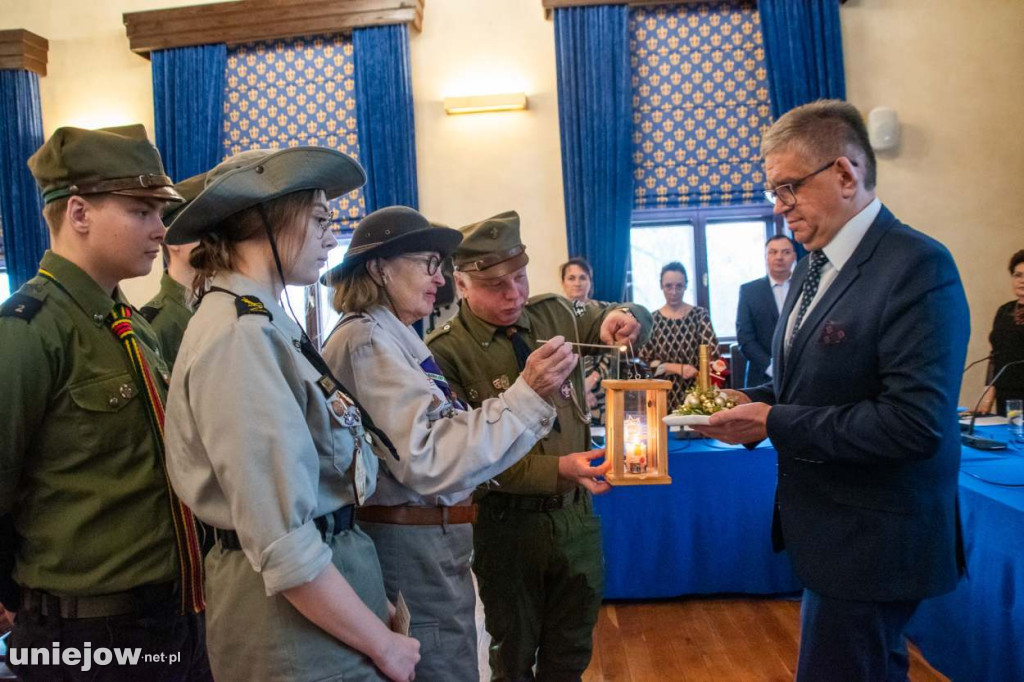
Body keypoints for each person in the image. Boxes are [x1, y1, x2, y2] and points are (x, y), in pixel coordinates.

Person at [694, 100, 970, 682]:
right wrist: (752, 402)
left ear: (845, 175)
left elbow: (912, 424)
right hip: (832, 535)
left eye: (788, 188)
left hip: (876, 541)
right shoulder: (813, 267)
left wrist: (771, 423)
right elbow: (809, 383)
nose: (778, 208)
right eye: (774, 191)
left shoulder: (917, 266)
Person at [162, 148, 420, 682]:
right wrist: (384, 646)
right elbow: (284, 544)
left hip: (324, 611)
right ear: (264, 218)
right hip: (293, 634)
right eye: (320, 218)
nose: (332, 236)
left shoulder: (263, 320)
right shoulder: (239, 336)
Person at [321, 206, 579, 681]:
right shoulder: (368, 340)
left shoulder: (394, 336)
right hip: (409, 544)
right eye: (427, 263)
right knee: (443, 667)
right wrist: (526, 392)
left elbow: (445, 432)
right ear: (380, 268)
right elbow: (428, 457)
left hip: (431, 543)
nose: (439, 279)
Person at [0, 124, 212, 681]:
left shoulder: (128, 325)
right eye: (142, 210)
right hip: (84, 634)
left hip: (168, 619)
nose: (160, 230)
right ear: (79, 214)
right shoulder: (29, 332)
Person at [427, 210, 652, 682]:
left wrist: (624, 319)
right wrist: (559, 468)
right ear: (461, 285)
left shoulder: (553, 312)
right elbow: (463, 459)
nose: (513, 294)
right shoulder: (444, 352)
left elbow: (623, 315)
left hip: (576, 517)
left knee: (571, 650)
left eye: (520, 277)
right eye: (495, 285)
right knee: (513, 654)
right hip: (508, 526)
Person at [140, 172, 205, 370]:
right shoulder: (158, 325)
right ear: (174, 239)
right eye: (202, 230)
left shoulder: (212, 305)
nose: (216, 241)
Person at [639, 261, 719, 409]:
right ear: (661, 286)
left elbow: (713, 356)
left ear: (686, 286)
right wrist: (677, 368)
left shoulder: (700, 316)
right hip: (662, 397)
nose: (674, 292)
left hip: (697, 396)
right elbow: (645, 364)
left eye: (679, 286)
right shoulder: (652, 320)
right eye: (669, 286)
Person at [735, 235, 798, 386]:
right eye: (773, 252)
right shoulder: (749, 291)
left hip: (800, 375)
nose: (779, 257)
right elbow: (745, 338)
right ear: (766, 257)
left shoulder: (806, 287)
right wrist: (771, 368)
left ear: (794, 256)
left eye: (786, 252)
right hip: (762, 376)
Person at [559, 257, 613, 423]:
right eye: (571, 278)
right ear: (563, 283)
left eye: (583, 277)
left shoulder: (605, 310)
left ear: (590, 282)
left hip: (603, 391)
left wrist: (591, 381)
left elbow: (614, 352)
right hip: (567, 392)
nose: (577, 283)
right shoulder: (556, 315)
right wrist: (580, 389)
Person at [978, 249, 1024, 415]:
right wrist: (987, 400)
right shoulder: (1004, 311)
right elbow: (996, 357)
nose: (1022, 281)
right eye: (1017, 275)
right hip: (1007, 397)